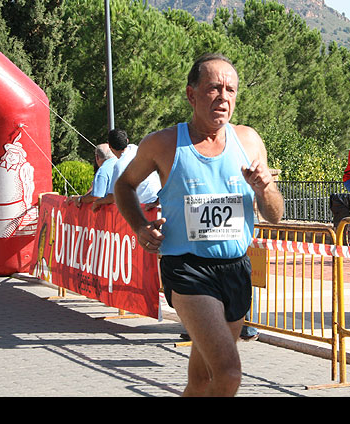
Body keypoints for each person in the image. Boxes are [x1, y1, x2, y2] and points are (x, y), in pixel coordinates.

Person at [114, 53, 284, 396]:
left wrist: (265, 187)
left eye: (230, 90)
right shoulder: (163, 143)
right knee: (229, 373)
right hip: (187, 268)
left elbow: (275, 214)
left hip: (236, 268)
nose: (223, 97)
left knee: (202, 380)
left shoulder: (248, 140)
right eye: (213, 88)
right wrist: (140, 226)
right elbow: (124, 185)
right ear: (191, 95)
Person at [92, 129, 160, 212]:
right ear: (127, 140)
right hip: (159, 201)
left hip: (146, 207)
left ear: (109, 146)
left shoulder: (120, 165)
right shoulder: (136, 148)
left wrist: (98, 202)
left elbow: (113, 197)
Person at [68, 144, 117, 209]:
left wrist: (80, 199)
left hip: (111, 212)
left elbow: (96, 196)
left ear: (97, 157)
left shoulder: (102, 171)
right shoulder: (120, 163)